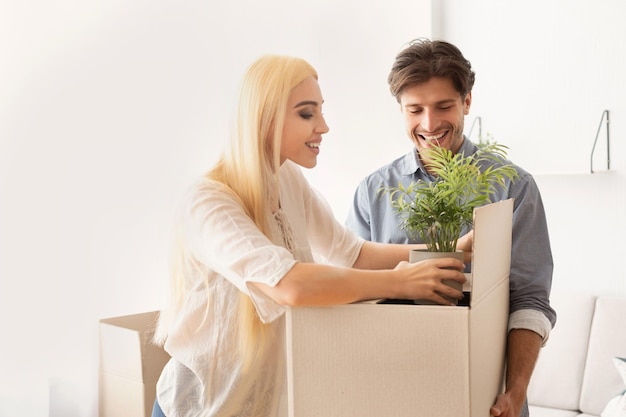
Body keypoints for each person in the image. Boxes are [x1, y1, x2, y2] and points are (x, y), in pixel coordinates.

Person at [151, 54, 472, 417]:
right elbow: (289, 285)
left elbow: (351, 253)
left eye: (321, 111)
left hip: (267, 405)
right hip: (202, 407)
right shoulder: (208, 200)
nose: (323, 126)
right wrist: (399, 283)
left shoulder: (287, 178)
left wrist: (453, 250)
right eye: (307, 114)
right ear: (264, 118)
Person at [345, 38, 557, 417]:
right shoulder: (373, 192)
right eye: (415, 110)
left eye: (443, 106)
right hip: (392, 388)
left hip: (486, 396)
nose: (429, 124)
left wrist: (516, 392)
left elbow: (530, 300)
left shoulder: (512, 186)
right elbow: (353, 289)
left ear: (467, 102)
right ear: (401, 110)